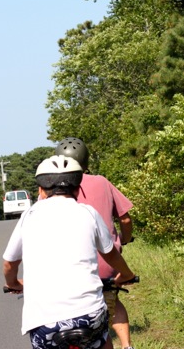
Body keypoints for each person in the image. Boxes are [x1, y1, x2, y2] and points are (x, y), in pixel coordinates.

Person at [3, 155, 136, 349]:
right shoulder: (89, 213)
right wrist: (126, 274)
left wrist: (13, 283)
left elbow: (9, 263)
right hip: (89, 316)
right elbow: (111, 254)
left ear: (40, 190)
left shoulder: (28, 216)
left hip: (44, 322)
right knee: (102, 337)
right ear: (77, 190)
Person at [55, 138, 135, 349]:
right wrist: (124, 240)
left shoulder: (53, 190)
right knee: (112, 301)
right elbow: (125, 219)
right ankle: (127, 345)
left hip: (71, 268)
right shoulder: (102, 182)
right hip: (108, 264)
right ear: (86, 160)